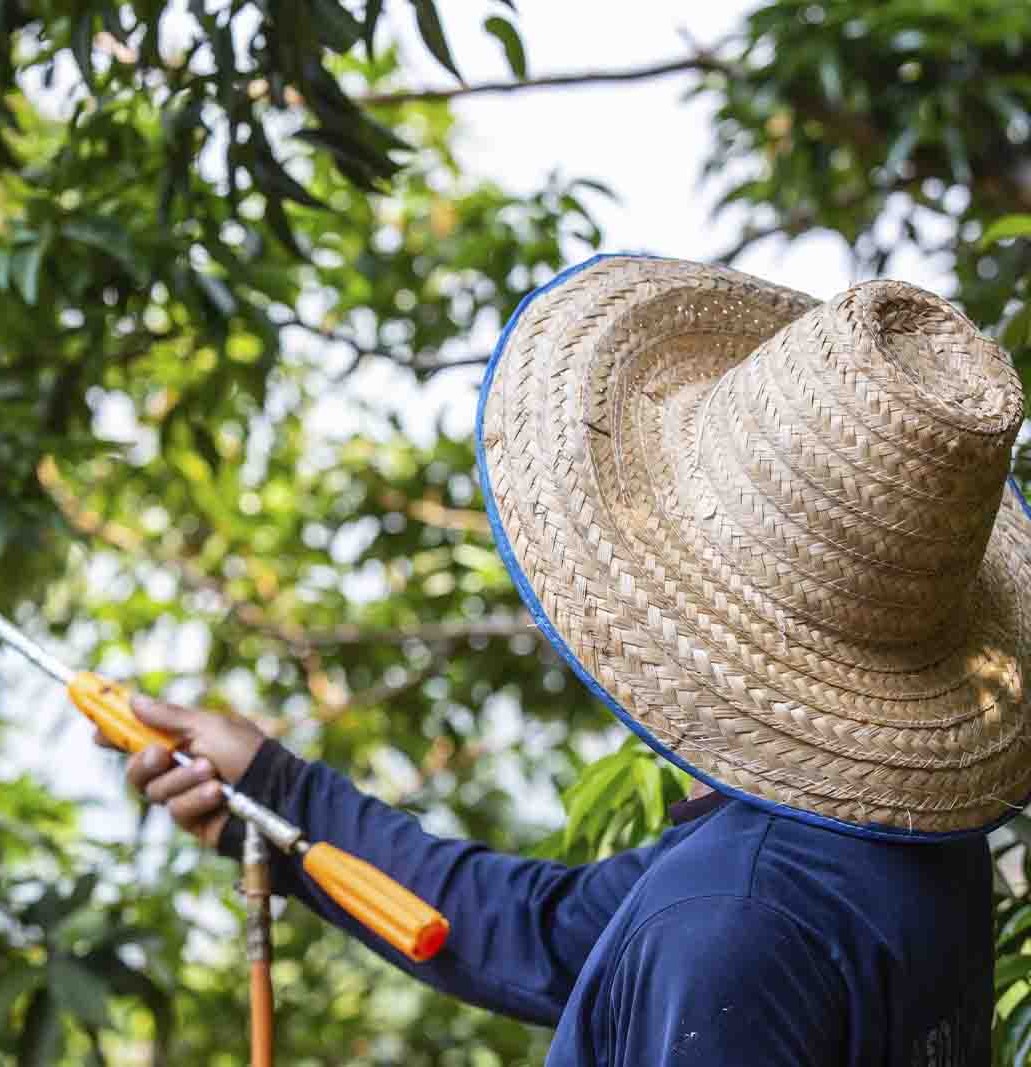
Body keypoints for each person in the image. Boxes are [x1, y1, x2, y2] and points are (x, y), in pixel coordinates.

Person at [105, 255, 1031, 1066]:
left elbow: (663, 941)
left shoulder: (731, 918)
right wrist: (276, 793)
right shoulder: (888, 840)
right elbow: (553, 935)